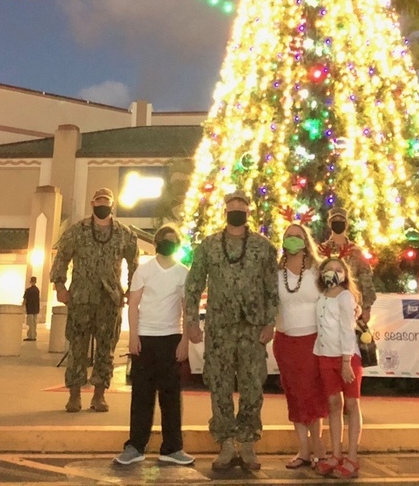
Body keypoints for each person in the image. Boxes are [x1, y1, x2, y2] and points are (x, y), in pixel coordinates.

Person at [185, 190, 279, 471]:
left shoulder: (263, 247)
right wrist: (191, 322)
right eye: (231, 206)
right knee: (219, 386)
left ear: (248, 212)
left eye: (241, 206)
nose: (236, 210)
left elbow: (272, 288)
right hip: (219, 329)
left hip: (252, 329)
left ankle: (248, 444)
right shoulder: (209, 246)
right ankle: (226, 443)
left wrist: (270, 322)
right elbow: (193, 285)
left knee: (252, 386)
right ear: (225, 211)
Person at [51, 187, 139, 413]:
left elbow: (134, 263)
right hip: (81, 297)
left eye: (106, 201)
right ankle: (74, 395)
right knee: (77, 347)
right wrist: (60, 286)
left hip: (109, 299)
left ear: (112, 205)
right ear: (92, 204)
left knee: (106, 349)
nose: (102, 204)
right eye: (99, 201)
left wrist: (131, 289)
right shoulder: (77, 231)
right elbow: (61, 257)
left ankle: (99, 395)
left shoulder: (124, 234)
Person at [114, 224, 194, 467]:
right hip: (145, 339)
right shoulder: (144, 270)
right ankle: (135, 446)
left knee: (171, 397)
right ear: (157, 242)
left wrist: (184, 341)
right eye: (164, 239)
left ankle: (172, 448)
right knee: (141, 396)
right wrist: (133, 336)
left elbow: (187, 308)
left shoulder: (183, 273)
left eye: (172, 240)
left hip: (171, 338)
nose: (168, 243)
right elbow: (134, 303)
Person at [273, 222, 327, 470]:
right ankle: (303, 450)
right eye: (287, 237)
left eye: (296, 237)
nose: (292, 241)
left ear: (306, 241)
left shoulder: (318, 270)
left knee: (312, 395)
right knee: (294, 395)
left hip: (313, 341)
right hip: (285, 342)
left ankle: (319, 449)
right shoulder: (276, 271)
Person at [313, 257, 363, 479]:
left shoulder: (345, 297)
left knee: (351, 404)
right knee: (334, 403)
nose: (333, 273)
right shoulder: (322, 296)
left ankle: (352, 457)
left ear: (345, 274)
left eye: (338, 270)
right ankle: (335, 454)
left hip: (346, 357)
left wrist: (345, 362)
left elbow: (347, 329)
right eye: (328, 269)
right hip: (325, 354)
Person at [318, 207, 375, 322]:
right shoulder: (321, 251)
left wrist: (366, 308)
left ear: (346, 224)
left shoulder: (356, 251)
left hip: (353, 308)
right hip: (327, 308)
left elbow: (366, 281)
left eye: (341, 220)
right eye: (335, 220)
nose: (338, 223)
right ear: (329, 223)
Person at [23, 276, 40, 341]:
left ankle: (31, 336)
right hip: (35, 309)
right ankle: (34, 335)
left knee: (30, 323)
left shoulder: (28, 290)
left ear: (30, 281)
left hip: (30, 308)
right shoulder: (37, 290)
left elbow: (25, 299)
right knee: (34, 323)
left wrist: (22, 307)